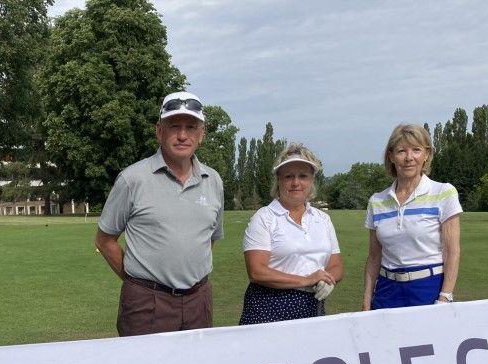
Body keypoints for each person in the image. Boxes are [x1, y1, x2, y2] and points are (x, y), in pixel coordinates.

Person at [95, 91, 224, 336]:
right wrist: (138, 283)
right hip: (146, 303)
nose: (183, 135)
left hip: (198, 300)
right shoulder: (132, 179)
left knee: (197, 362)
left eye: (191, 127)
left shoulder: (214, 180)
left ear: (202, 134)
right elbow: (104, 240)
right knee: (143, 362)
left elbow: (209, 239)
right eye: (174, 126)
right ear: (159, 131)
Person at [238, 144, 342, 324]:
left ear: (312, 180)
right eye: (288, 176)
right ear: (278, 180)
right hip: (268, 309)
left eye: (303, 176)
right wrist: (307, 280)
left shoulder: (323, 219)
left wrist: (328, 279)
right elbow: (257, 271)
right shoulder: (264, 218)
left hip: (312, 306)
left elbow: (336, 265)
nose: (296, 183)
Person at [362, 123, 462, 310]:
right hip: (387, 290)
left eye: (416, 150)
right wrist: (367, 300)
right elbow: (374, 256)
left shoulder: (443, 192)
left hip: (428, 288)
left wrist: (445, 296)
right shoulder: (377, 201)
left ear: (426, 155)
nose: (409, 158)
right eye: (401, 151)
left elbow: (452, 251)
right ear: (391, 156)